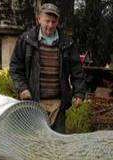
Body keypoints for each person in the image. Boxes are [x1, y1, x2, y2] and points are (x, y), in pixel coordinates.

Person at [10, 3, 86, 133]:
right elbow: (16, 67)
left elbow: (77, 71)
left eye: (54, 21)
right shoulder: (26, 40)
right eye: (47, 21)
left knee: (58, 143)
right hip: (34, 102)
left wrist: (79, 93)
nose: (50, 25)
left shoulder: (67, 43)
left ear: (58, 22)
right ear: (39, 19)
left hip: (58, 103)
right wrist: (22, 88)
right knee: (36, 142)